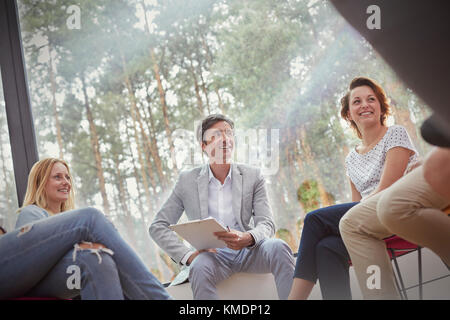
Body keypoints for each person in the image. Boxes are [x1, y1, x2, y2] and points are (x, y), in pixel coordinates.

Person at [288, 77, 419, 300]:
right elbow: (357, 203)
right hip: (367, 223)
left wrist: (352, 214)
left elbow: (388, 189)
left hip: (396, 212)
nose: (365, 105)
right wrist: (353, 215)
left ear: (380, 107)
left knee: (314, 220)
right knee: (325, 247)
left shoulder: (395, 134)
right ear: (349, 114)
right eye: (357, 102)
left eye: (371, 99)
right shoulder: (351, 159)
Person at [150, 114, 295, 300]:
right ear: (203, 146)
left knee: (279, 247)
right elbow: (158, 226)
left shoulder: (253, 176)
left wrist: (248, 237)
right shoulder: (187, 181)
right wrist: (188, 256)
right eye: (217, 134)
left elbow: (266, 223)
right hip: (212, 258)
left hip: (249, 251)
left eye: (228, 133)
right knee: (199, 266)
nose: (225, 139)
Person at [0, 158, 171, 300]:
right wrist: (80, 246)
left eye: (67, 177)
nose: (66, 182)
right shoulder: (31, 212)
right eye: (57, 177)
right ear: (40, 183)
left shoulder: (70, 224)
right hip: (28, 279)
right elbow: (36, 261)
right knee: (91, 217)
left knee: (99, 259)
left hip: (60, 278)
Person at [339, 148, 450, 299]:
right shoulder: (351, 158)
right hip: (443, 152)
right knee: (351, 224)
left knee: (393, 206)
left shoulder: (394, 137)